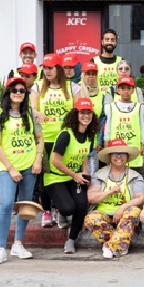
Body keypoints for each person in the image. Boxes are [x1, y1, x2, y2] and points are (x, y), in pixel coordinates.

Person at [0, 77, 44, 264]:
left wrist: (38, 158)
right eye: (15, 90)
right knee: (6, 204)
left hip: (29, 165)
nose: (19, 93)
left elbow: (39, 137)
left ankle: (18, 244)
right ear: (8, 94)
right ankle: (0, 248)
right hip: (7, 167)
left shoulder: (30, 113)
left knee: (24, 206)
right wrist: (11, 169)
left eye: (22, 90)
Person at [30, 53, 82, 227]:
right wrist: (36, 113)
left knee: (63, 175)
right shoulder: (37, 87)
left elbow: (78, 113)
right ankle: (46, 211)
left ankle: (60, 211)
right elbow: (30, 111)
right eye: (44, 68)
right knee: (45, 178)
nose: (47, 71)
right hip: (45, 140)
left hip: (64, 139)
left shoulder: (72, 87)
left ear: (58, 68)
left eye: (50, 67)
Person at [44, 98, 99, 254]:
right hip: (56, 177)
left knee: (82, 205)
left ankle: (71, 240)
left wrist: (85, 175)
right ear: (76, 114)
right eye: (82, 112)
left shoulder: (90, 135)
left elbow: (85, 156)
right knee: (68, 208)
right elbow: (55, 161)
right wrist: (74, 174)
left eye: (89, 113)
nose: (86, 116)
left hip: (74, 176)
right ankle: (60, 209)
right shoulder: (65, 135)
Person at [84, 138, 144, 259]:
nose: (119, 156)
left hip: (125, 214)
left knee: (134, 212)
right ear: (109, 156)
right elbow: (91, 197)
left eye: (122, 153)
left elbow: (141, 198)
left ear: (127, 157)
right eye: (115, 153)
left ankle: (109, 246)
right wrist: (108, 192)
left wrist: (123, 207)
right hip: (104, 213)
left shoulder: (135, 176)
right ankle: (120, 243)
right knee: (90, 219)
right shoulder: (99, 175)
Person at [103, 76, 144, 180]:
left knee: (139, 174)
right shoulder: (111, 106)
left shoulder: (139, 107)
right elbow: (108, 124)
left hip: (134, 145)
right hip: (116, 146)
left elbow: (142, 125)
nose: (126, 91)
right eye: (123, 88)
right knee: (117, 172)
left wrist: (143, 143)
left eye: (129, 88)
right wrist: (106, 141)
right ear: (118, 90)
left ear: (133, 90)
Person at [79, 62, 103, 175]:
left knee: (91, 176)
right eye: (88, 74)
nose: (91, 77)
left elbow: (102, 120)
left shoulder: (102, 93)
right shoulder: (76, 90)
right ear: (83, 75)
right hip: (77, 142)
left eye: (93, 74)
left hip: (93, 142)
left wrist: (100, 141)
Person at [92, 29, 123, 95]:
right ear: (102, 42)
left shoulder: (121, 62)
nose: (109, 42)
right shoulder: (94, 61)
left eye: (112, 40)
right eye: (107, 39)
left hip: (116, 101)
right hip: (99, 101)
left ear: (116, 42)